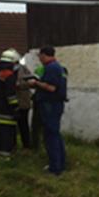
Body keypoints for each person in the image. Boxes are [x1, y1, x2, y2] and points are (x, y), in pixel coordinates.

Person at [27, 46, 67, 175]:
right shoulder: (59, 68)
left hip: (50, 104)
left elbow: (51, 87)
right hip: (55, 104)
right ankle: (61, 163)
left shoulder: (51, 68)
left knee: (50, 135)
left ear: (44, 55)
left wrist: (35, 83)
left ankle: (55, 168)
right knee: (55, 133)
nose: (39, 58)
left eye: (40, 56)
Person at [13, 51, 34, 149]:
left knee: (23, 124)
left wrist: (20, 84)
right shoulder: (8, 69)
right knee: (12, 125)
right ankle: (13, 145)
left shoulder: (23, 69)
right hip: (12, 101)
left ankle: (26, 145)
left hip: (23, 101)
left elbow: (31, 81)